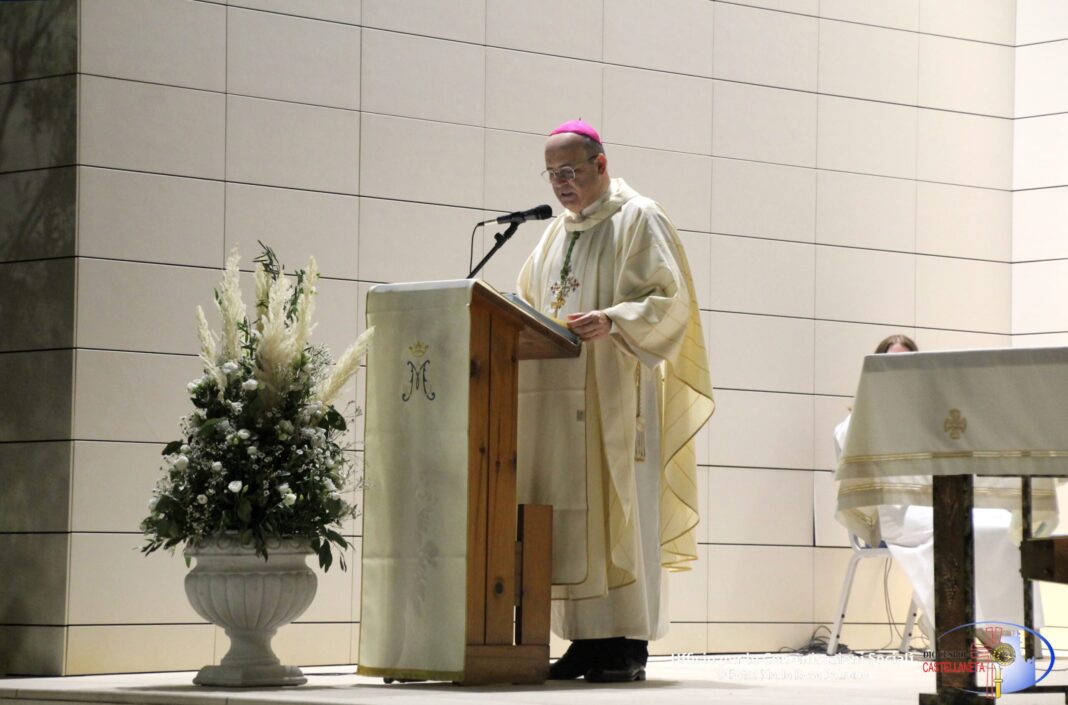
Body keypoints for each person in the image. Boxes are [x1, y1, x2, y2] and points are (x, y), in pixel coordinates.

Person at [515, 120, 714, 683]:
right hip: (562, 405)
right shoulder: (555, 235)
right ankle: (585, 641)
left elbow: (670, 300)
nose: (561, 183)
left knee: (622, 516)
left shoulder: (639, 217)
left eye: (569, 171)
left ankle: (627, 645)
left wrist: (615, 319)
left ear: (600, 165)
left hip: (618, 395)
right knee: (576, 518)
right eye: (552, 174)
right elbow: (525, 302)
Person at [834, 334, 1044, 648]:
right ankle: (955, 624)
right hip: (900, 512)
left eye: (909, 363)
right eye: (893, 363)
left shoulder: (935, 415)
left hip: (945, 501)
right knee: (956, 529)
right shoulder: (861, 418)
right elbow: (849, 449)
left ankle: (1012, 634)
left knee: (1005, 525)